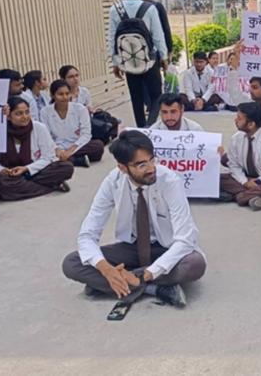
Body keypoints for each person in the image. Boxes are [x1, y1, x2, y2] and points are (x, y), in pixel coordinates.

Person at [61, 130, 206, 308]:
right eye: (141, 165)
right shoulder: (112, 182)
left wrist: (142, 276)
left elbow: (185, 239)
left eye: (152, 160)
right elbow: (87, 234)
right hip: (131, 248)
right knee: (72, 263)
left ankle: (117, 285)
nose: (151, 168)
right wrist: (107, 271)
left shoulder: (169, 181)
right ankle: (155, 289)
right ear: (122, 168)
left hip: (165, 247)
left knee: (194, 264)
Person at [0, 97, 74, 201]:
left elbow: (48, 157)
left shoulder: (38, 127)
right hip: (10, 175)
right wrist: (1, 170)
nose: (25, 117)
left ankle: (15, 190)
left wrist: (26, 169)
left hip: (34, 171)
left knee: (66, 167)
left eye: (27, 112)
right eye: (19, 113)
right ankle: (51, 187)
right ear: (8, 117)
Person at [107, 0, 168, 128]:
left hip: (128, 61)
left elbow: (112, 37)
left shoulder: (115, 9)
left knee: (136, 98)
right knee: (156, 97)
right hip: (149, 60)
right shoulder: (149, 8)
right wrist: (164, 57)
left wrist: (115, 62)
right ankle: (150, 126)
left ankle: (141, 128)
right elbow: (158, 35)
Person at [218, 102, 261, 209]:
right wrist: (244, 182)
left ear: (251, 124)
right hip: (246, 177)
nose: (235, 121)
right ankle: (257, 197)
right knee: (219, 179)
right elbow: (233, 165)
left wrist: (258, 181)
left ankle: (239, 196)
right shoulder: (236, 138)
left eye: (239, 119)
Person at [41, 80, 105, 168]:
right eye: (60, 94)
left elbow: (86, 134)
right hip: (56, 147)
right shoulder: (45, 112)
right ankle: (76, 160)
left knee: (98, 145)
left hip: (77, 145)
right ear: (52, 95)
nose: (65, 97)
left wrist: (69, 152)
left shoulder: (80, 109)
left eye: (67, 93)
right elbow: (46, 136)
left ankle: (66, 159)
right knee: (42, 152)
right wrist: (57, 150)